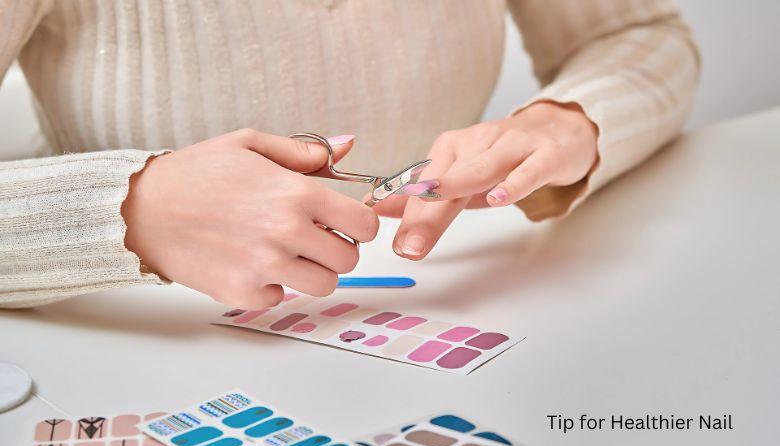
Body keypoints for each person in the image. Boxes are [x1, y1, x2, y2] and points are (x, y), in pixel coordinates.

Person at [0, 0, 699, 310]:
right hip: (119, 337)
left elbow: (638, 32)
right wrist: (126, 210)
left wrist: (569, 119)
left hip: (445, 305)